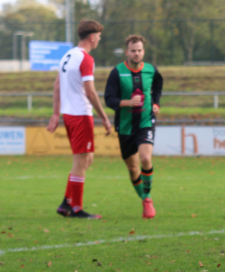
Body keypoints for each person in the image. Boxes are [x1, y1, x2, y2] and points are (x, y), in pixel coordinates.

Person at [47, 19, 112, 219]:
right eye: (99, 36)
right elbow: (91, 93)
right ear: (92, 37)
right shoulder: (86, 59)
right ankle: (76, 208)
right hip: (81, 114)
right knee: (81, 160)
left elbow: (57, 86)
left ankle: (66, 202)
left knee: (87, 159)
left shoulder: (67, 55)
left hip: (69, 114)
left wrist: (56, 113)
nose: (99, 39)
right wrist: (105, 117)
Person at [104, 35, 163, 219]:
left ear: (143, 52)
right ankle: (145, 198)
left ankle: (147, 200)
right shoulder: (117, 72)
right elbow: (109, 99)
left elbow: (158, 87)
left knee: (146, 158)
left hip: (145, 122)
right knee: (132, 168)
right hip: (125, 126)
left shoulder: (152, 71)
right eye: (133, 50)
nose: (136, 54)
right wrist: (127, 102)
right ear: (127, 52)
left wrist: (156, 103)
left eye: (139, 50)